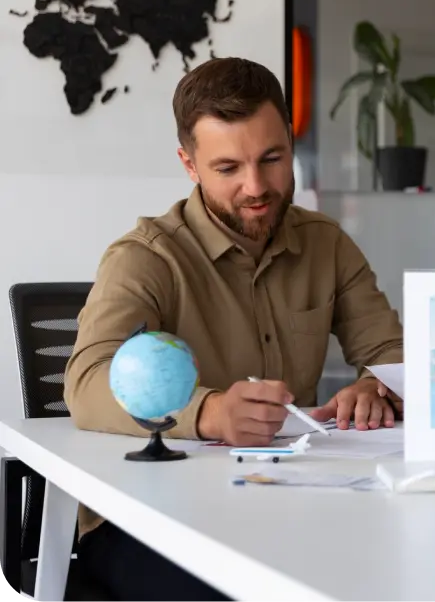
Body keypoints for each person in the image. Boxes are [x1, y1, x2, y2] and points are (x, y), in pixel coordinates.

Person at [64, 57, 404, 602]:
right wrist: (211, 413)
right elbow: (85, 383)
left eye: (272, 158)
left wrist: (376, 384)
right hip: (148, 517)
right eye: (228, 168)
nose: (256, 186)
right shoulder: (146, 258)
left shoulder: (327, 243)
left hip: (288, 498)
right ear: (189, 164)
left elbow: (389, 349)